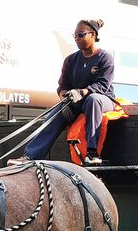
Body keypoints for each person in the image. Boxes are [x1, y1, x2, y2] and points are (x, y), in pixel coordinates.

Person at [10, 18, 116, 166]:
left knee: (94, 100)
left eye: (81, 35)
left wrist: (82, 92)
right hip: (75, 100)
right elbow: (63, 86)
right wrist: (63, 98)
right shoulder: (70, 60)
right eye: (75, 36)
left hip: (102, 100)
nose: (77, 39)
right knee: (54, 115)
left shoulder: (105, 58)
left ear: (92, 34)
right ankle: (30, 157)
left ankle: (92, 153)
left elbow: (103, 85)